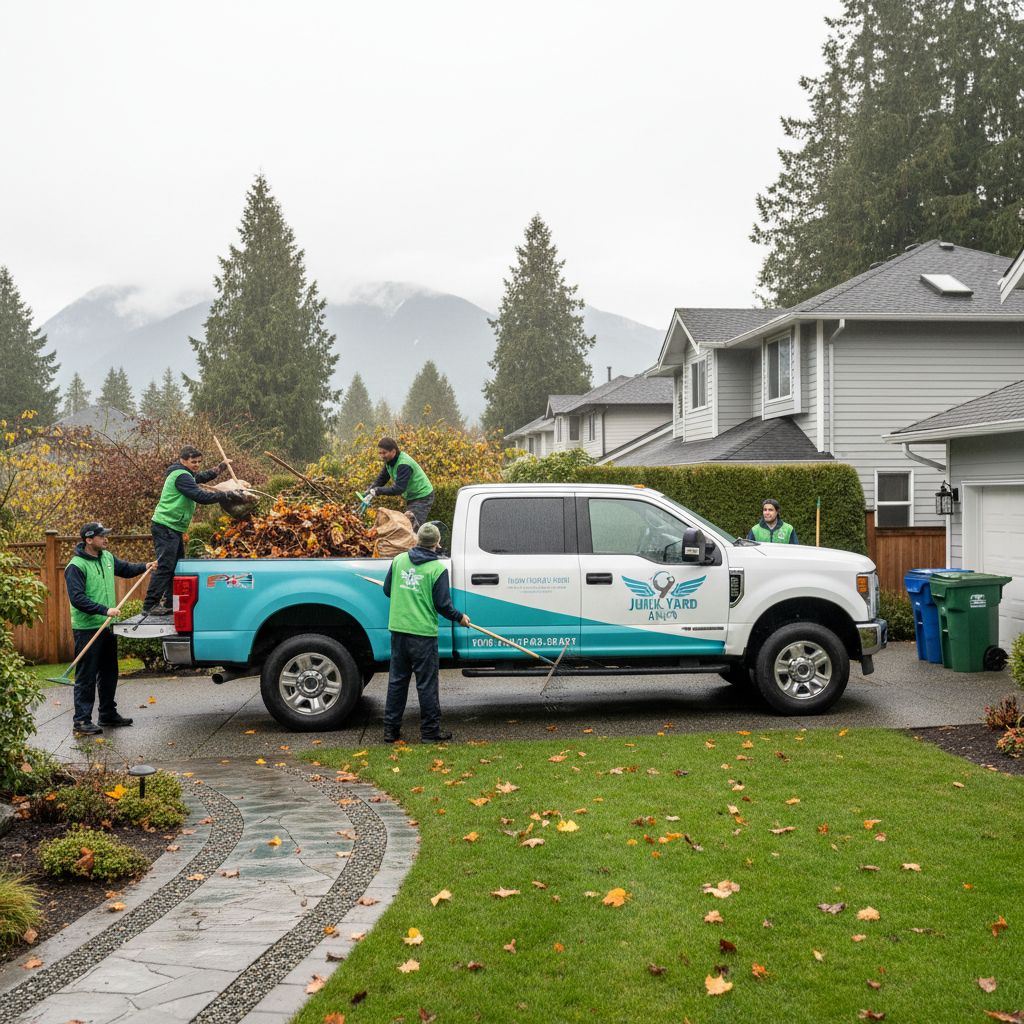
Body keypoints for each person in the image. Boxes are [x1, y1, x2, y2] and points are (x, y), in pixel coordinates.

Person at [65, 522, 157, 736]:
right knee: (86, 675)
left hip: (107, 626)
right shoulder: (76, 566)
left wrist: (145, 566)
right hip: (87, 628)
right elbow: (77, 599)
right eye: (101, 536)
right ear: (89, 540)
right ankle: (81, 720)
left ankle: (107, 714)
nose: (106, 539)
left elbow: (125, 569)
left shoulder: (107, 558)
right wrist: (104, 610)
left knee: (109, 671)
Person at [382, 521, 470, 744]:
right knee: (427, 684)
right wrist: (460, 617)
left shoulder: (399, 560)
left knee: (397, 681)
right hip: (422, 634)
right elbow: (443, 605)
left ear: (417, 540)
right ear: (437, 543)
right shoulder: (437, 569)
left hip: (399, 631)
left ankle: (390, 731)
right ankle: (430, 733)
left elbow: (387, 590)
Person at [143, 445, 242, 615]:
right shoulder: (181, 476)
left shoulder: (185, 473)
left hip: (173, 526)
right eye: (193, 461)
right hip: (166, 525)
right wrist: (225, 495)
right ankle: (150, 605)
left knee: (175, 565)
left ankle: (169, 602)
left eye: (199, 462)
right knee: (166, 565)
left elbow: (201, 477)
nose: (196, 464)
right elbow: (200, 496)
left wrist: (220, 467)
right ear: (183, 460)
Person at [365, 437, 434, 530]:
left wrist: (378, 490)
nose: (381, 456)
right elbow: (382, 478)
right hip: (412, 496)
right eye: (380, 453)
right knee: (407, 526)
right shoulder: (390, 461)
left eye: (384, 453)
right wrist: (370, 489)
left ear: (393, 451)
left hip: (422, 496)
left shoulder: (403, 464)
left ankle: (424, 543)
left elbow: (399, 489)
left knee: (410, 529)